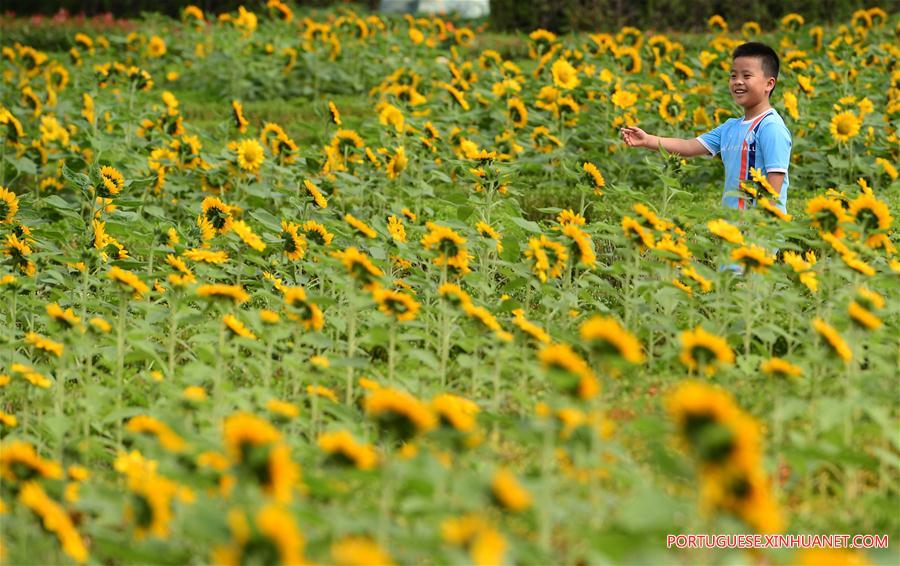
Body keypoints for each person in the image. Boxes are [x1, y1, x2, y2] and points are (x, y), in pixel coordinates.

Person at [620, 42, 792, 216]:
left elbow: (774, 183)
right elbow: (689, 146)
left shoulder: (771, 127)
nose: (738, 82)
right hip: (734, 227)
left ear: (769, 84)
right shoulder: (730, 127)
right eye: (733, 76)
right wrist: (647, 140)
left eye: (746, 76)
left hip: (760, 231)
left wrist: (763, 224)